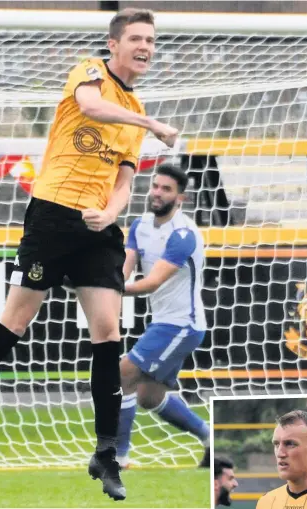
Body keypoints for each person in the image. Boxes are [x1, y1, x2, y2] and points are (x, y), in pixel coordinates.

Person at [0, 8, 178, 501]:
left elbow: (125, 181)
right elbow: (91, 108)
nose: (145, 46)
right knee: (15, 322)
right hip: (52, 216)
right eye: (135, 37)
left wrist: (110, 214)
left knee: (108, 331)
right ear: (114, 44)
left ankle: (106, 452)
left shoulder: (134, 110)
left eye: (150, 39)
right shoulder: (90, 73)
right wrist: (148, 120)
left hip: (97, 230)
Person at [115, 164, 210, 468]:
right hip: (165, 323)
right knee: (149, 397)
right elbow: (123, 271)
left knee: (124, 372)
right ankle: (209, 436)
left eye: (166, 189)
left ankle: (118, 456)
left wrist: (110, 289)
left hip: (182, 325)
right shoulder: (139, 225)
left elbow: (152, 283)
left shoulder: (184, 235)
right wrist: (105, 284)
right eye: (155, 186)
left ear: (180, 197)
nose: (157, 193)